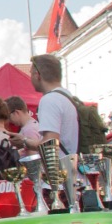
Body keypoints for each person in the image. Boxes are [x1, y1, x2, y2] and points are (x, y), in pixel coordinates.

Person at [24, 54, 81, 212]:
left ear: (38, 75)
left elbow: (51, 144)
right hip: (76, 178)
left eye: (30, 73)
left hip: (59, 183)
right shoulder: (70, 97)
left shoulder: (50, 100)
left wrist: (26, 142)